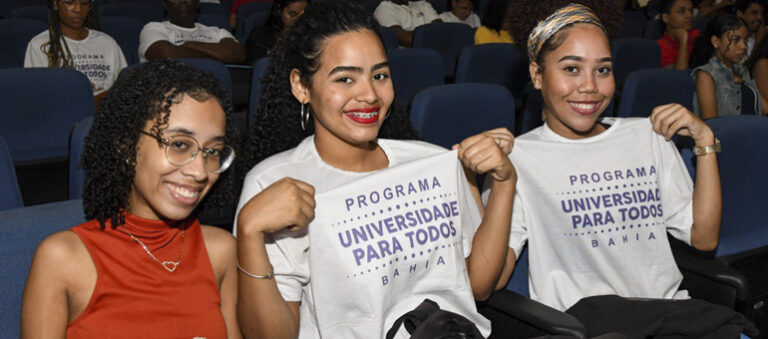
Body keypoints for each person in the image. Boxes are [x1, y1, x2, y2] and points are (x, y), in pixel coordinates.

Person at [234, 1, 516, 338]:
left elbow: (478, 287)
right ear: (301, 87)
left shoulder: (428, 163)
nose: (369, 94)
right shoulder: (274, 185)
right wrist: (249, 232)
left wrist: (503, 182)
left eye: (379, 75)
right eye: (345, 78)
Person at [494, 0, 728, 329]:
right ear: (537, 75)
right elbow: (493, 278)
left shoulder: (649, 136)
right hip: (585, 328)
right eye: (571, 68)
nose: (590, 86)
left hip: (671, 318)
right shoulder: (518, 160)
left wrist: (705, 140)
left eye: (602, 69)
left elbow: (703, 238)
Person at [20, 60, 241, 338]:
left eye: (212, 151)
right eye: (179, 144)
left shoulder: (220, 251)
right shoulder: (64, 259)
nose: (199, 172)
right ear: (126, 146)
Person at [24, 0, 127, 103]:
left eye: (85, 3)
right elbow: (37, 96)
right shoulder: (40, 45)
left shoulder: (107, 43)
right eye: (69, 3)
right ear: (55, 4)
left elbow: (125, 88)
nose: (78, 9)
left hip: (105, 112)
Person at [691, 13, 768, 118]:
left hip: (753, 130)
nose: (744, 46)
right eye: (735, 40)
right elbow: (712, 124)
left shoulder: (743, 71)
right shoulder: (706, 75)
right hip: (728, 133)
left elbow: (764, 108)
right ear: (716, 41)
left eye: (745, 40)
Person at [139, 0, 246, 64]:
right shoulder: (153, 28)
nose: (182, 1)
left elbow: (238, 55)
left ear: (197, 3)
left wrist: (190, 45)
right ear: (166, 4)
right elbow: (166, 55)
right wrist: (219, 58)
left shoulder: (217, 31)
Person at [244, 0, 309, 64]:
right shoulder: (259, 36)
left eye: (302, 16)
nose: (297, 20)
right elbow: (258, 67)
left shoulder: (311, 39)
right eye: (292, 14)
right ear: (279, 11)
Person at [374, 0, 442, 46]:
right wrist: (431, 33)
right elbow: (405, 39)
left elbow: (441, 30)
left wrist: (415, 33)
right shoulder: (384, 9)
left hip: (437, 49)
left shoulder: (423, 4)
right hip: (409, 55)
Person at [658, 0, 700, 69]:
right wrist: (683, 41)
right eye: (681, 11)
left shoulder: (697, 35)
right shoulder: (660, 47)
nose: (689, 15)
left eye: (691, 11)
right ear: (666, 18)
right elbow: (678, 77)